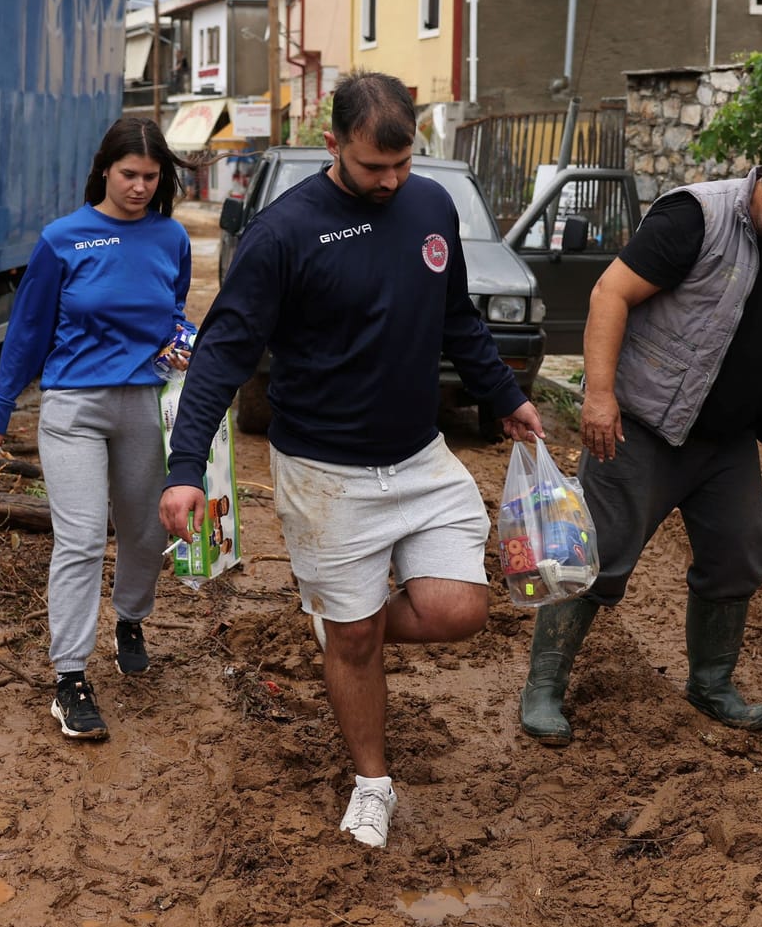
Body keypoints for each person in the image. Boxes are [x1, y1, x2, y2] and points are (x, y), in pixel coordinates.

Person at [159, 71, 542, 850]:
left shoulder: (431, 207)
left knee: (460, 610)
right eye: (374, 168)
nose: (392, 182)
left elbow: (458, 320)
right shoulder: (282, 235)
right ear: (331, 145)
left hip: (420, 458)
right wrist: (184, 468)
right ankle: (373, 783)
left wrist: (504, 396)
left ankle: (342, 629)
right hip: (326, 476)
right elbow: (222, 356)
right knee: (360, 640)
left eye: (403, 165)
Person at [518, 134, 762, 745]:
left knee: (739, 558)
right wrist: (598, 395)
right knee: (594, 558)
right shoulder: (695, 216)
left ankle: (711, 683)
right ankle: (543, 688)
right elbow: (609, 293)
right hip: (640, 426)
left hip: (725, 442)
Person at [0, 117, 197, 742]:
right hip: (73, 406)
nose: (139, 187)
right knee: (77, 539)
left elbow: (174, 312)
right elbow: (28, 330)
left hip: (143, 406)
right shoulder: (63, 240)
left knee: (141, 529)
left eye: (151, 177)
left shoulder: (171, 238)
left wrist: (182, 347)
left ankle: (130, 617)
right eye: (129, 174)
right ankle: (69, 677)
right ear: (105, 169)